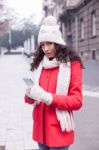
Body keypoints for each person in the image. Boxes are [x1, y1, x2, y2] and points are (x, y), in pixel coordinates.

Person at [24, 15, 83, 150]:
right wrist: (30, 94)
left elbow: (77, 101)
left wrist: (48, 97)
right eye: (43, 45)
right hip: (40, 131)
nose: (46, 49)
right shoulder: (40, 64)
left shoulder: (72, 64)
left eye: (49, 43)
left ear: (58, 43)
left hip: (59, 132)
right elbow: (32, 99)